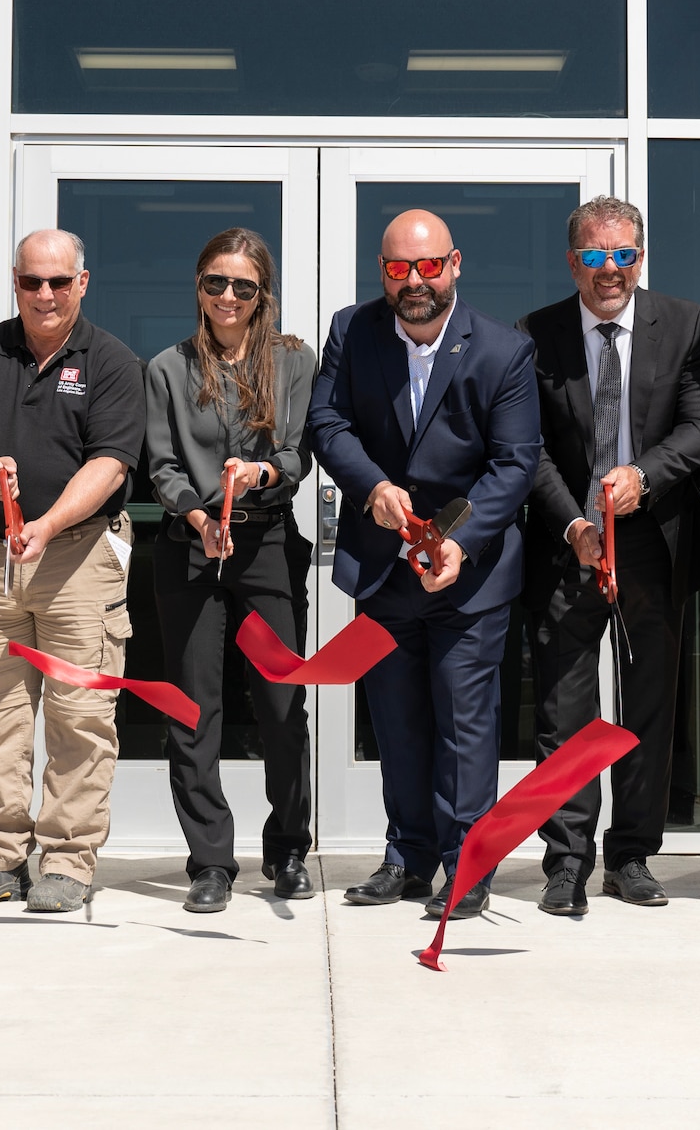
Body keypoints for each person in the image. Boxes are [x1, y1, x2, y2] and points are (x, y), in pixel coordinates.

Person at [308, 209, 541, 921]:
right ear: (382, 270)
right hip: (383, 567)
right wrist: (372, 485)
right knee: (398, 722)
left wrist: (458, 543)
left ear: (455, 264)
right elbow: (327, 421)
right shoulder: (353, 330)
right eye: (398, 268)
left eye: (429, 266)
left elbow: (515, 463)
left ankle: (467, 864)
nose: (415, 282)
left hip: (467, 574)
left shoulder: (503, 351)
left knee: (464, 722)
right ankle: (406, 856)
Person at [518, 196, 700, 915]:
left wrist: (647, 474)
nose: (612, 270)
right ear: (574, 260)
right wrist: (574, 523)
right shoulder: (535, 335)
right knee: (564, 708)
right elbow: (528, 449)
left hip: (651, 539)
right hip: (570, 542)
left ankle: (631, 854)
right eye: (597, 256)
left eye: (624, 254)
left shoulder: (685, 323)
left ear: (641, 256)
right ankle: (567, 859)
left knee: (648, 704)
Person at [0, 229, 146, 914]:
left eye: (59, 281)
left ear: (83, 283)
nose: (46, 294)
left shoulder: (111, 360)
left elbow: (110, 463)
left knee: (80, 717)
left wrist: (47, 524)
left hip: (79, 556)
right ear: (15, 283)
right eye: (32, 282)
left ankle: (67, 860)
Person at [144, 228, 318, 912]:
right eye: (216, 282)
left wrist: (263, 471)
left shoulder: (292, 362)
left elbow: (299, 454)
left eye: (243, 285)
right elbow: (159, 465)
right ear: (198, 285)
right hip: (191, 546)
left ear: (261, 293)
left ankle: (288, 846)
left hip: (266, 539)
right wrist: (199, 517)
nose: (228, 296)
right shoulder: (167, 367)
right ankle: (211, 861)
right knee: (195, 711)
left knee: (280, 705)